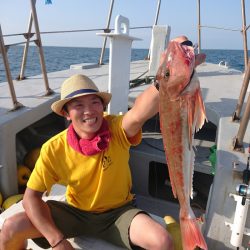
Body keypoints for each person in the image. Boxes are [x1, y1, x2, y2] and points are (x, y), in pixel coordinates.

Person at [0, 74, 173, 250]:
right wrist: (57, 241)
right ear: (65, 113)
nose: (89, 110)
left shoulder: (117, 128)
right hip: (75, 213)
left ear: (102, 106)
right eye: (78, 105)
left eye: (94, 102)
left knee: (162, 241)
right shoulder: (54, 148)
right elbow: (31, 197)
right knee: (11, 228)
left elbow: (138, 113)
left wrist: (164, 79)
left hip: (119, 213)